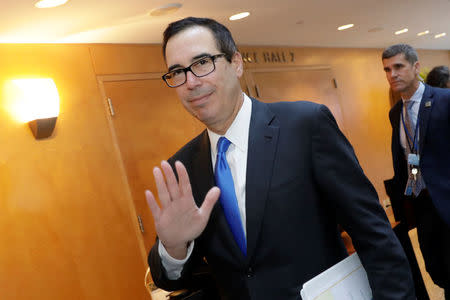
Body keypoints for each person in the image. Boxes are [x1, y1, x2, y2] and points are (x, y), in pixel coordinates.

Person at [145, 17, 415, 300]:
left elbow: (374, 236)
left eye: (202, 63)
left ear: (236, 62)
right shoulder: (183, 167)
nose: (190, 82)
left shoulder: (305, 126)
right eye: (177, 72)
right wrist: (173, 248)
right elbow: (170, 279)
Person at [382, 44, 450, 299]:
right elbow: (409, 156)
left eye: (398, 66)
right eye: (387, 69)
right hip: (423, 207)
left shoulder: (444, 100)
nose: (392, 74)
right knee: (437, 270)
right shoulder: (395, 113)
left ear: (416, 67)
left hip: (447, 200)